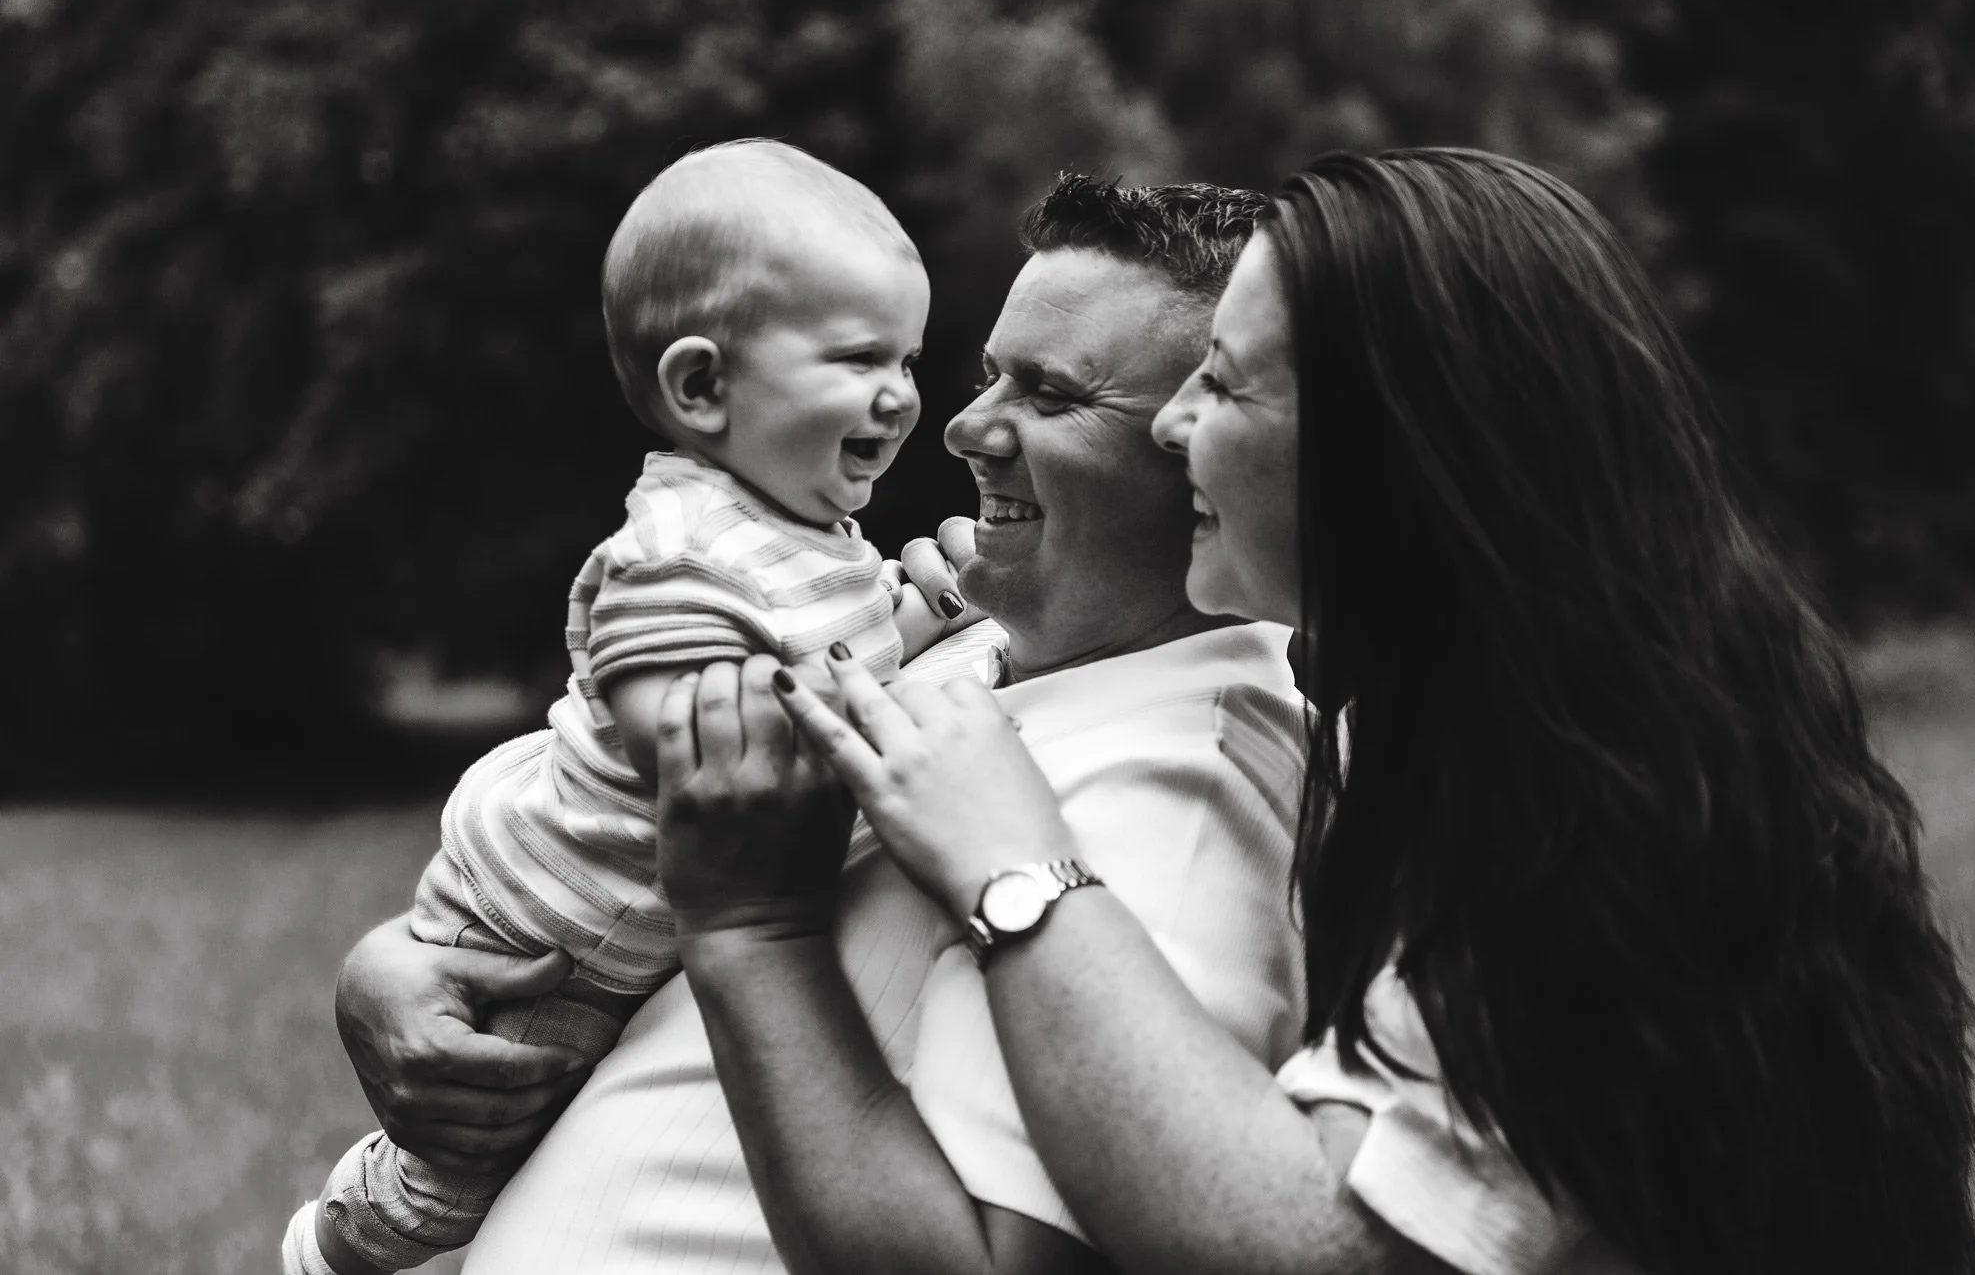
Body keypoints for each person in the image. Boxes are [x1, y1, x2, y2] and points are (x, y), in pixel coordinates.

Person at [725, 149, 1975, 1275]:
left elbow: (1309, 1243)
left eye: (1223, 386)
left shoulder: (1594, 827)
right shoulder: (1586, 720)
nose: (1174, 428)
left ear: (1392, 447)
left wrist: (1010, 861)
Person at [324, 177, 1312, 1273]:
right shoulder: (973, 641)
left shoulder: (1184, 799)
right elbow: (603, 793)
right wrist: (397, 964)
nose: (962, 427)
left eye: (1051, 394)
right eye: (988, 375)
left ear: (1206, 443)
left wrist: (749, 928)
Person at [284, 137, 931, 1275]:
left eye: (909, 359)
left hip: (634, 919)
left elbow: (853, 644)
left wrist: (931, 614)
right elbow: (688, 743)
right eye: (858, 357)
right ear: (701, 387)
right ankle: (333, 1242)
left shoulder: (809, 531)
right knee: (467, 1156)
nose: (903, 394)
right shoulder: (678, 551)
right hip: (559, 926)